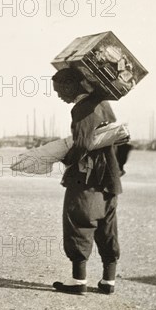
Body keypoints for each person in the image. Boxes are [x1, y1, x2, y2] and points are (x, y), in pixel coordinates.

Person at [51, 68, 122, 295]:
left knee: (78, 220)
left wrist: (66, 159)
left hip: (87, 176)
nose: (59, 95)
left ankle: (78, 280)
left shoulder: (81, 108)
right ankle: (108, 280)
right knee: (106, 225)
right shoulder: (103, 103)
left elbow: (82, 144)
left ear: (74, 85)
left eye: (61, 89)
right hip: (110, 176)